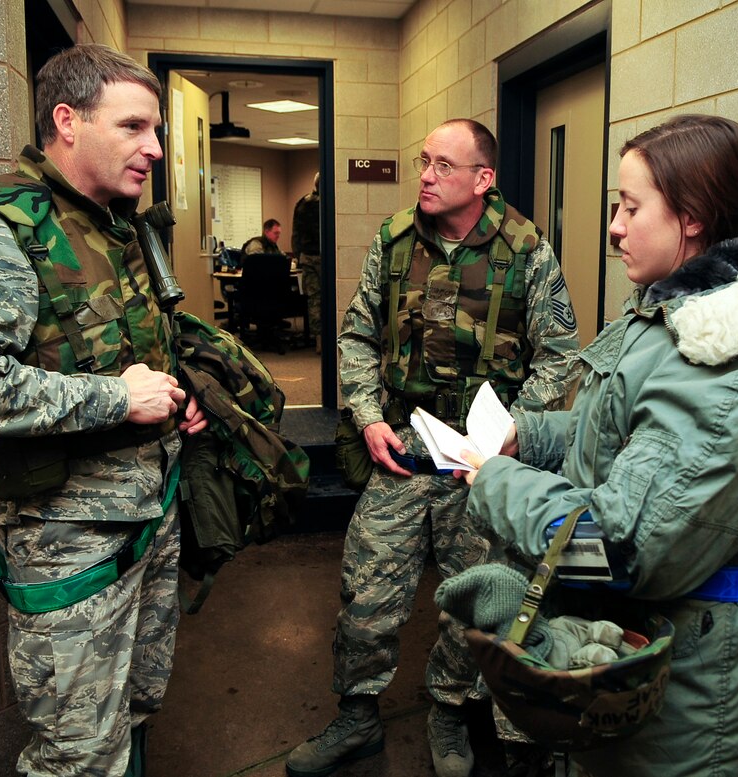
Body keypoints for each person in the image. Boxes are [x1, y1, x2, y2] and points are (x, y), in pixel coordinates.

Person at [454, 114, 738, 776]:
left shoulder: (732, 360)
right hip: (639, 644)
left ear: (694, 218)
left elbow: (620, 547)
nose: (615, 225)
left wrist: (492, 482)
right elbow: (618, 431)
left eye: (630, 206)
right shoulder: (668, 308)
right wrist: (523, 435)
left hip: (690, 675)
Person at [0, 44, 206, 776]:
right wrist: (118, 398)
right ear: (67, 121)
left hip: (148, 522)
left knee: (134, 711)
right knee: (77, 755)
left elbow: (128, 346)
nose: (156, 149)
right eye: (135, 127)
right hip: (71, 550)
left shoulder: (116, 224)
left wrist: (173, 398)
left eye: (157, 130)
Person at [285, 118, 581, 777]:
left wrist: (513, 431)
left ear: (483, 179)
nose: (426, 175)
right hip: (402, 455)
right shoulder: (394, 243)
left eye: (444, 166)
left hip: (478, 468)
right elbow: (357, 337)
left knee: (471, 599)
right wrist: (365, 415)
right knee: (365, 597)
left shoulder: (525, 250)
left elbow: (559, 358)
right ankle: (357, 716)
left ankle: (449, 709)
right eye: (424, 161)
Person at [291, 173, 321, 351]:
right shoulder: (330, 202)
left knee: (314, 299)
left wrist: (297, 256)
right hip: (327, 258)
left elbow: (295, 233)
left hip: (307, 258)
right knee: (331, 297)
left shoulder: (302, 203)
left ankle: (319, 339)